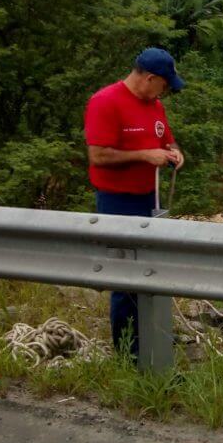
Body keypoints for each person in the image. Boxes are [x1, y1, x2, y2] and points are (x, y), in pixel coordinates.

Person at [84, 47, 186, 356]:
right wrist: (145, 155)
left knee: (152, 275)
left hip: (149, 201)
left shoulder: (154, 106)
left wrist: (173, 152)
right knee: (125, 281)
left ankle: (152, 343)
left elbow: (165, 139)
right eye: (164, 86)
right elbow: (98, 155)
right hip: (118, 203)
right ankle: (128, 353)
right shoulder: (105, 102)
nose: (164, 93)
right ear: (150, 78)